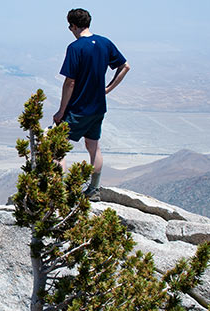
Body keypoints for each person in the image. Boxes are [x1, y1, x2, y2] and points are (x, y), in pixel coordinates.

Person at [53, 8, 130, 201]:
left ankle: (59, 193)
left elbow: (70, 82)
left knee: (58, 148)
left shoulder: (75, 48)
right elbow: (125, 66)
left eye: (69, 26)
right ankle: (94, 189)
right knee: (93, 146)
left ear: (74, 25)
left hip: (78, 108)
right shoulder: (105, 43)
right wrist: (108, 89)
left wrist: (61, 111)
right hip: (98, 107)